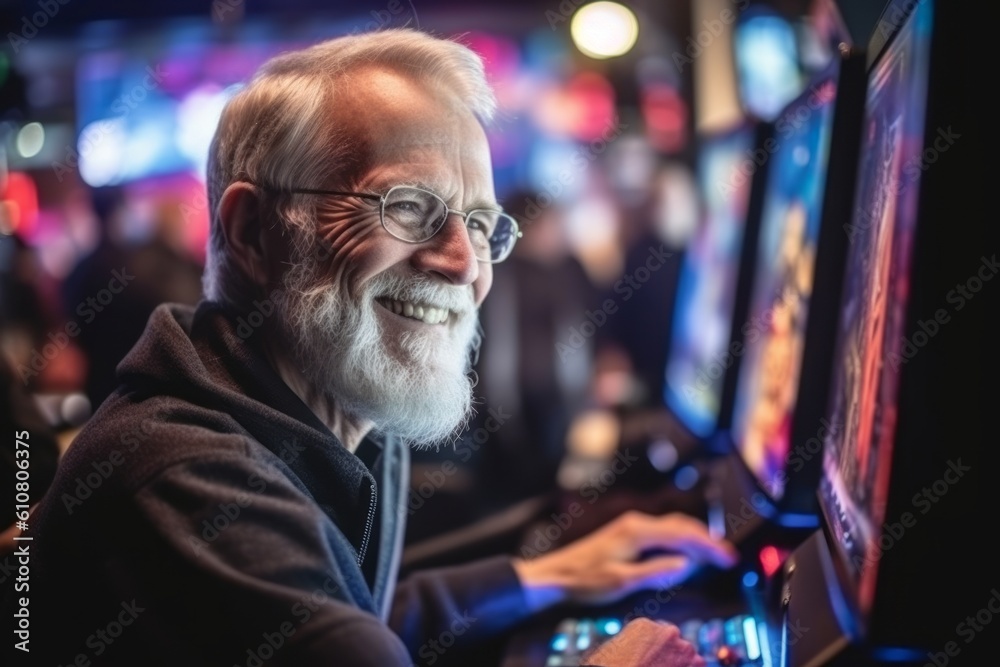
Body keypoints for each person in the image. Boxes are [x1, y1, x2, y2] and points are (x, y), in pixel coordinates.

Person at [4, 29, 738, 666]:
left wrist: (544, 576)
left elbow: (357, 620)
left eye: (481, 225)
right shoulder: (179, 474)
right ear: (254, 231)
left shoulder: (326, 405)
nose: (463, 262)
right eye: (410, 207)